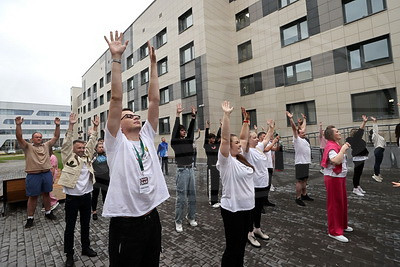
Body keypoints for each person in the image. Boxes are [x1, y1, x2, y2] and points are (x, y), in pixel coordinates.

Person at [103, 32, 169, 266]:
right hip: (126, 223)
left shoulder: (146, 136)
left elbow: (154, 101)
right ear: (117, 125)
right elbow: (116, 99)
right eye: (128, 116)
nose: (134, 116)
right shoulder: (115, 142)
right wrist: (116, 59)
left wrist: (153, 65)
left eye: (135, 114)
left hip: (152, 219)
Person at [217, 101, 255, 266]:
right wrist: (226, 115)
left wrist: (246, 121)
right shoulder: (226, 162)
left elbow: (244, 138)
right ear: (230, 146)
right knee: (233, 247)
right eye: (237, 143)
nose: (240, 144)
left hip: (247, 209)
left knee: (241, 246)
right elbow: (225, 139)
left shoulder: (241, 159)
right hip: (233, 210)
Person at [58, 113, 99, 267]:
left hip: (86, 197)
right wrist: (71, 125)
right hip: (72, 198)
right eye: (79, 148)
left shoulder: (87, 156)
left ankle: (85, 248)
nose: (82, 149)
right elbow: (67, 143)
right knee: (70, 227)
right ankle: (69, 254)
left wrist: (95, 127)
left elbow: (92, 141)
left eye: (83, 147)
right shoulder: (68, 157)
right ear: (73, 149)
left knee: (85, 224)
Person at [15, 115, 60, 228]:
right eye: (36, 137)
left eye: (40, 137)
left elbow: (56, 136)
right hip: (33, 175)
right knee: (33, 197)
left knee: (46, 194)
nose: (39, 138)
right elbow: (19, 137)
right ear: (32, 139)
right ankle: (30, 218)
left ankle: (48, 212)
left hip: (46, 174)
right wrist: (18, 125)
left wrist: (57, 125)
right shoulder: (27, 147)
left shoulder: (46, 145)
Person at [243, 116, 275, 248]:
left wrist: (271, 127)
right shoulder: (247, 152)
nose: (258, 139)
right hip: (254, 185)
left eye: (257, 137)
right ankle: (249, 233)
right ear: (248, 140)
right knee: (252, 210)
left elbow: (267, 138)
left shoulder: (259, 148)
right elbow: (243, 140)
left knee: (258, 209)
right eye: (255, 137)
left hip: (263, 184)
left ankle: (257, 228)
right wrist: (245, 123)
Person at [321, 126, 353, 243]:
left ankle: (342, 225)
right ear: (331, 135)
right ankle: (334, 231)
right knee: (335, 204)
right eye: (337, 132)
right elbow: (335, 161)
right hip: (333, 178)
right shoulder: (331, 146)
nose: (339, 133)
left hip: (339, 177)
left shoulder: (335, 144)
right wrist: (343, 148)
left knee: (342, 202)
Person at [171, 103, 197, 232]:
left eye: (184, 130)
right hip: (181, 170)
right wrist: (177, 115)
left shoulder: (188, 140)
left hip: (191, 169)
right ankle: (178, 221)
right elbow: (175, 129)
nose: (184, 131)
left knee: (192, 195)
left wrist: (193, 117)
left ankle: (191, 217)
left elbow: (191, 131)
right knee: (181, 197)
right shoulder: (175, 142)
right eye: (182, 130)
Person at [286, 111, 313, 206]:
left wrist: (305, 119)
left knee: (305, 180)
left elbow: (303, 127)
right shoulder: (297, 139)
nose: (303, 132)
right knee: (300, 181)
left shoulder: (304, 139)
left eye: (303, 131)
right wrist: (290, 119)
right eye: (301, 132)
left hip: (306, 162)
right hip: (300, 163)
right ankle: (298, 197)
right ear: (298, 133)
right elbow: (294, 128)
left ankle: (304, 194)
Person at [345, 115, 369, 197]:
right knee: (357, 173)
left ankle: (358, 186)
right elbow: (360, 130)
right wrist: (364, 122)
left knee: (359, 173)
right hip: (358, 158)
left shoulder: (357, 140)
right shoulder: (354, 139)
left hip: (361, 157)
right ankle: (355, 188)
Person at [257, 131, 280, 207]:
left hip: (269, 166)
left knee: (268, 185)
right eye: (264, 136)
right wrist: (273, 142)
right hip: (263, 167)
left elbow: (276, 149)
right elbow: (266, 149)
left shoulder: (269, 144)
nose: (265, 137)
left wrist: (277, 142)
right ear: (260, 137)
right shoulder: (258, 145)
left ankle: (265, 200)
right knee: (263, 186)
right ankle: (260, 203)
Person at [204, 120, 221, 208]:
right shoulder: (207, 146)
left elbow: (219, 136)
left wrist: (221, 127)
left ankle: (216, 200)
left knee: (216, 184)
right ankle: (212, 201)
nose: (213, 139)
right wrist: (207, 127)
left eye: (214, 138)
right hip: (210, 167)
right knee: (211, 184)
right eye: (211, 138)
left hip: (217, 168)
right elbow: (205, 137)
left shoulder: (217, 145)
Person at [91, 141, 110, 220]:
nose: (101, 148)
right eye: (100, 147)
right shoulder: (93, 157)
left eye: (102, 147)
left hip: (105, 178)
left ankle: (106, 210)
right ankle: (94, 211)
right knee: (95, 195)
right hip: (96, 179)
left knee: (105, 195)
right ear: (96, 148)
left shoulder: (107, 156)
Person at [369, 117, 385, 182]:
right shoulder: (375, 136)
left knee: (378, 163)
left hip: (380, 150)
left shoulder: (378, 136)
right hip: (378, 150)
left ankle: (377, 174)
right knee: (377, 163)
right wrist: (374, 122)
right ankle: (376, 175)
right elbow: (375, 130)